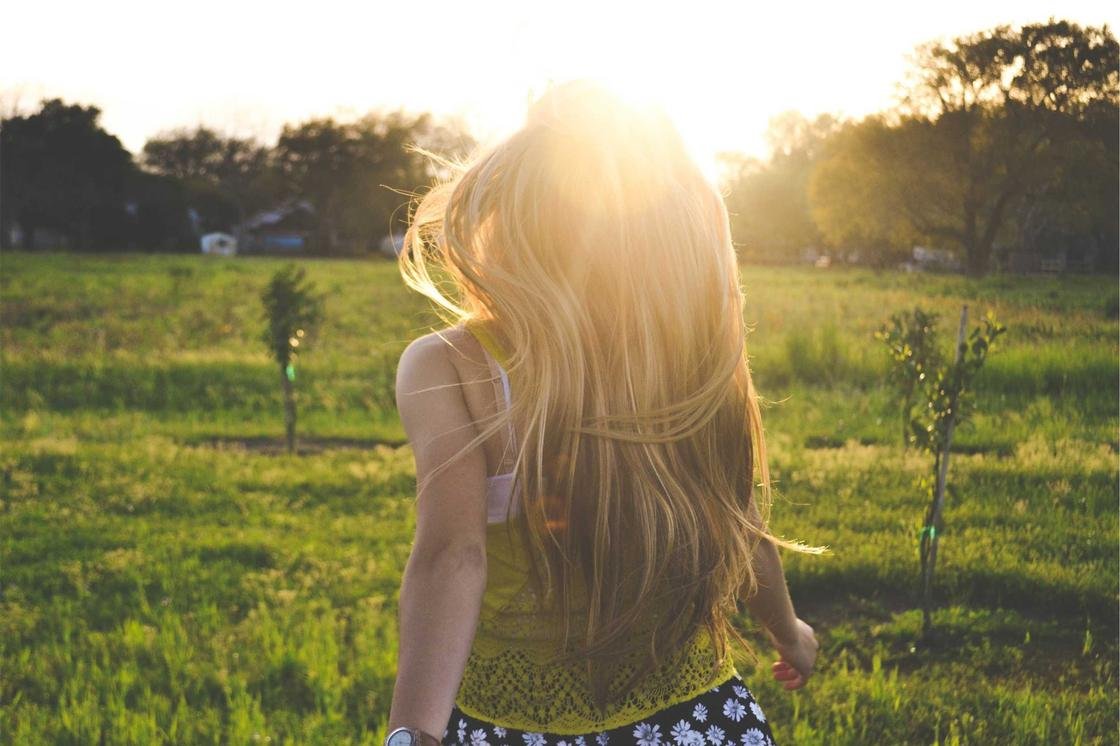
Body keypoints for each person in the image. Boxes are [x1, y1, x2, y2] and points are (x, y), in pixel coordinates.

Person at [386, 80, 822, 746]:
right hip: (697, 720)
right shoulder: (688, 358)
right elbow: (737, 516)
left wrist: (413, 730)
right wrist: (789, 633)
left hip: (517, 726)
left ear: (510, 215)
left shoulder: (451, 364)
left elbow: (453, 556)